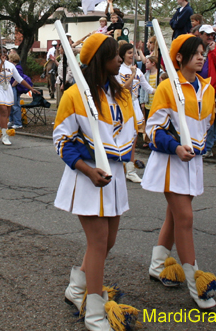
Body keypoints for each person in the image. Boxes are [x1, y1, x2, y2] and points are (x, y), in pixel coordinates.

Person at [54, 33, 139, 330]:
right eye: (115, 55)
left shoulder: (123, 95)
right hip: (86, 177)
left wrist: (127, 152)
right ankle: (93, 313)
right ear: (100, 61)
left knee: (107, 242)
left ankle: (76, 289)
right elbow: (61, 140)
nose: (120, 58)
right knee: (99, 241)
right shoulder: (73, 95)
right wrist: (88, 169)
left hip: (113, 177)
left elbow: (129, 131)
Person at [142, 34, 216, 309]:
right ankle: (196, 282)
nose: (201, 57)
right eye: (196, 53)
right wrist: (175, 146)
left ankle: (157, 264)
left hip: (193, 163)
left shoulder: (208, 89)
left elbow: (207, 125)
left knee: (175, 218)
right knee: (185, 218)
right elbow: (152, 129)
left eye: (203, 53)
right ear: (178, 57)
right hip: (171, 163)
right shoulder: (167, 87)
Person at [118, 43, 155, 183]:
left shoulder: (138, 71)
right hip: (122, 105)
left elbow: (149, 88)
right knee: (120, 136)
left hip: (134, 104)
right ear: (122, 54)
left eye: (132, 52)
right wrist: (132, 74)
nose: (132, 55)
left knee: (133, 137)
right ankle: (119, 166)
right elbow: (122, 89)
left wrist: (164, 90)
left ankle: (130, 169)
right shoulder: (118, 70)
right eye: (128, 52)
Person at [0, 46, 39, 145]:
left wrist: (31, 88)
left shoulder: (10, 65)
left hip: (7, 89)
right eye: (1, 52)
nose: (3, 54)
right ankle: (5, 136)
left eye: (5, 52)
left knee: (6, 113)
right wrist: (1, 63)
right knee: (3, 112)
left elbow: (19, 78)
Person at [198, 25, 216, 156]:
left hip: (211, 88)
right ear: (201, 34)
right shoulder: (196, 48)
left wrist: (214, 51)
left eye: (212, 35)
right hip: (197, 86)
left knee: (210, 116)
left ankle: (208, 146)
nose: (210, 37)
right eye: (207, 35)